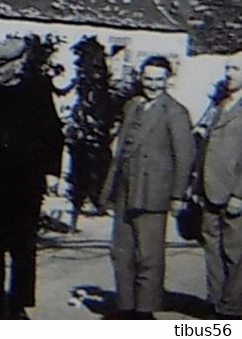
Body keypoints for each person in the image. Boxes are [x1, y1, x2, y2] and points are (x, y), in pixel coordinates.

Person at [0, 36, 64, 319]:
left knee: (23, 247)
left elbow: (54, 134)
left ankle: (18, 306)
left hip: (26, 184)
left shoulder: (37, 93)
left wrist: (52, 171)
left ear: (18, 65)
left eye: (3, 65)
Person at [100, 55, 194, 320]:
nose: (152, 85)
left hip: (153, 192)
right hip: (126, 190)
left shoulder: (174, 112)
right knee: (121, 252)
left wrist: (176, 195)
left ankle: (144, 311)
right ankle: (125, 307)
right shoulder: (133, 106)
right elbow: (120, 153)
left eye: (158, 80)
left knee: (149, 257)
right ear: (141, 78)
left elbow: (184, 156)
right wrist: (109, 190)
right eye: (148, 79)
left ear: (168, 81)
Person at [195, 52, 242, 320]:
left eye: (235, 68)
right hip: (209, 190)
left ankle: (233, 310)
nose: (229, 73)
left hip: (234, 193)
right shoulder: (219, 104)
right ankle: (216, 304)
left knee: (235, 254)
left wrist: (240, 193)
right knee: (212, 249)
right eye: (227, 68)